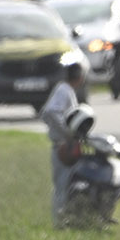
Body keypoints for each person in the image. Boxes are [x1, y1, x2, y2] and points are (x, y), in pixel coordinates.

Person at [41, 61, 89, 228]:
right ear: (80, 77)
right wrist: (68, 131)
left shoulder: (66, 90)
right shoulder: (64, 91)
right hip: (62, 147)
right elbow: (50, 112)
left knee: (66, 184)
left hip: (64, 145)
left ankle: (66, 219)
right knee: (62, 185)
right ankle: (59, 223)